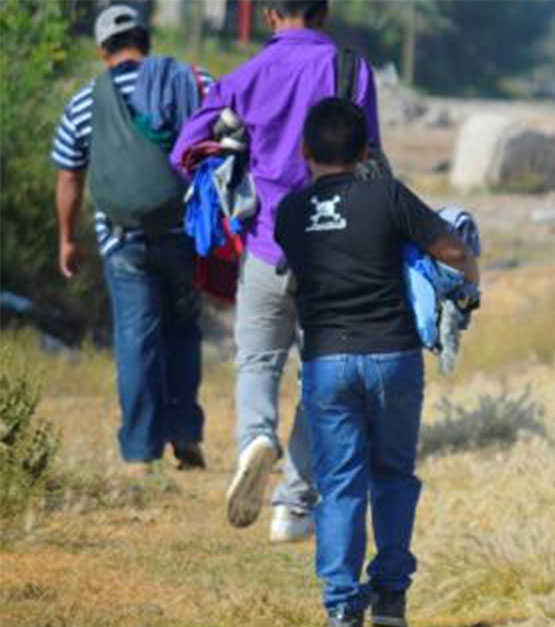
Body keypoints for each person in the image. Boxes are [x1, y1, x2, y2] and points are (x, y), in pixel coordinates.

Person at [172, 0, 383, 541]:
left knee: (258, 360)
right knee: (322, 375)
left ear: (268, 14)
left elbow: (185, 152)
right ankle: (293, 504)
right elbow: (371, 156)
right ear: (325, 11)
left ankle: (255, 439)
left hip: (266, 247)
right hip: (335, 256)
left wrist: (236, 145)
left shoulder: (246, 75)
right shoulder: (350, 70)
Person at [275, 98, 479, 627]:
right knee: (392, 476)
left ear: (304, 151)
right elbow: (452, 251)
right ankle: (389, 597)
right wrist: (471, 282)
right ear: (365, 150)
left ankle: (343, 605)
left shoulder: (290, 212)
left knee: (341, 483)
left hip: (327, 362)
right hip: (392, 356)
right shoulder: (386, 196)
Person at [52, 5, 212, 477]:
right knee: (183, 331)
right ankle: (184, 432)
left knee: (136, 339)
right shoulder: (191, 80)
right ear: (145, 41)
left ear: (103, 51)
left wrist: (66, 238)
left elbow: (69, 176)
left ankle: (140, 452)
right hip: (185, 233)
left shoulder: (85, 100)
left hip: (123, 239)